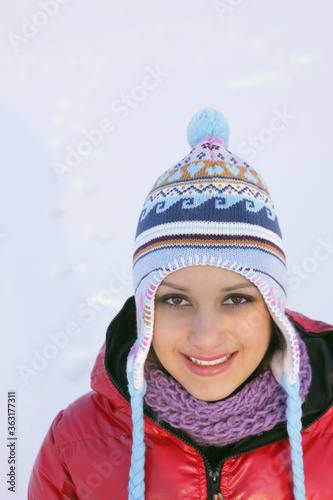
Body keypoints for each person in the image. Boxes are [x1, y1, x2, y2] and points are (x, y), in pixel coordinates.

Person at [28, 108, 333, 500]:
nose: (206, 338)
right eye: (175, 299)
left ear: (272, 307)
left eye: (236, 298)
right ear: (144, 308)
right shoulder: (74, 442)